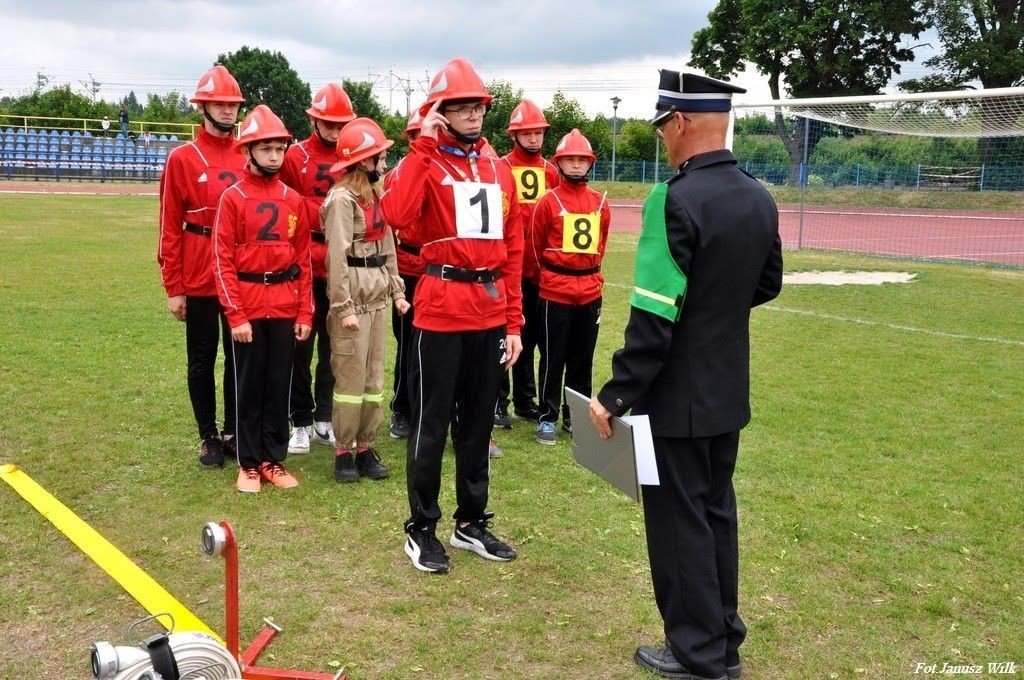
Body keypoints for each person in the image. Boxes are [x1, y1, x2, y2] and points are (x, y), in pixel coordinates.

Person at [589, 71, 783, 680]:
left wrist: (615, 395)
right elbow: (767, 283)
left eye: (662, 126)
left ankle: (698, 653)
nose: (663, 139)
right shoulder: (758, 195)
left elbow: (652, 317)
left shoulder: (672, 199)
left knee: (679, 526)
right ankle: (723, 639)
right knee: (716, 515)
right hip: (727, 392)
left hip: (674, 399)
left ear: (678, 123)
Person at [380, 57, 524, 574]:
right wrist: (422, 146)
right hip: (440, 311)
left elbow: (512, 246)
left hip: (488, 311)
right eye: (458, 105)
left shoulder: (497, 167)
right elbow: (392, 217)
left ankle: (471, 521)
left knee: (478, 423)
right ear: (438, 111)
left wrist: (513, 322)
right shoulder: (422, 160)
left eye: (477, 105)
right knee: (431, 424)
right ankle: (421, 528)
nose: (471, 114)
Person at [213, 104, 313, 493]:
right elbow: (221, 260)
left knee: (278, 385)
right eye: (266, 149)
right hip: (249, 308)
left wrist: (306, 309)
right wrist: (235, 315)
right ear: (248, 151)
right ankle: (249, 463)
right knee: (249, 386)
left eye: (280, 149)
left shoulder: (293, 199)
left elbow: (302, 258)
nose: (275, 156)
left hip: (286, 306)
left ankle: (274, 459)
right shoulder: (232, 199)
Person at [157, 64, 246, 468]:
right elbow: (169, 225)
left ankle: (232, 431)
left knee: (237, 355)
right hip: (197, 270)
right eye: (219, 104)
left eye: (232, 104)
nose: (227, 110)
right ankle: (207, 435)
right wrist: (173, 286)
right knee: (202, 356)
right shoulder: (182, 158)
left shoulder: (248, 151)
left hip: (239, 270)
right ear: (203, 107)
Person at [322, 117, 408, 483]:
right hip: (353, 303)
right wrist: (343, 309)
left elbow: (387, 248)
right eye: (379, 158)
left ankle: (365, 446)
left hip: (376, 300)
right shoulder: (342, 201)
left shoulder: (374, 198)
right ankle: (344, 451)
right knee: (350, 380)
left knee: (374, 378)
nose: (384, 165)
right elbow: (337, 257)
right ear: (362, 162)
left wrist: (397, 292)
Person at [279, 83, 357, 454]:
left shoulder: (354, 155)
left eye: (340, 124)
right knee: (300, 345)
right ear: (314, 120)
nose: (335, 130)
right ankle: (301, 420)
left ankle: (325, 416)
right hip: (305, 259)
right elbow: (284, 207)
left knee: (334, 344)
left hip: (340, 262)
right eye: (328, 123)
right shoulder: (295, 158)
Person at [531, 129, 610, 445]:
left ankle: (574, 416)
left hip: (590, 291)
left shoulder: (600, 203)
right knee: (552, 356)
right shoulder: (547, 202)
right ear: (559, 162)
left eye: (581, 159)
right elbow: (536, 248)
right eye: (570, 159)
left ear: (589, 164)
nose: (576, 165)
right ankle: (547, 417)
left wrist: (586, 275)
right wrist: (557, 276)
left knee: (583, 359)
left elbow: (601, 245)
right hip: (555, 292)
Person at [496, 99, 559, 427]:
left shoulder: (551, 171)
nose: (534, 139)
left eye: (538, 133)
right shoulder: (501, 167)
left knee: (530, 336)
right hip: (508, 268)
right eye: (527, 133)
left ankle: (524, 400)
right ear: (514, 135)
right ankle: (498, 402)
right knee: (504, 334)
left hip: (539, 271)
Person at [386, 107, 425, 440]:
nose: (419, 140)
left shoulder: (444, 169)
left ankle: (430, 409)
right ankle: (402, 409)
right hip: (408, 270)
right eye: (414, 135)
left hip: (438, 271)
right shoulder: (397, 173)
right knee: (407, 344)